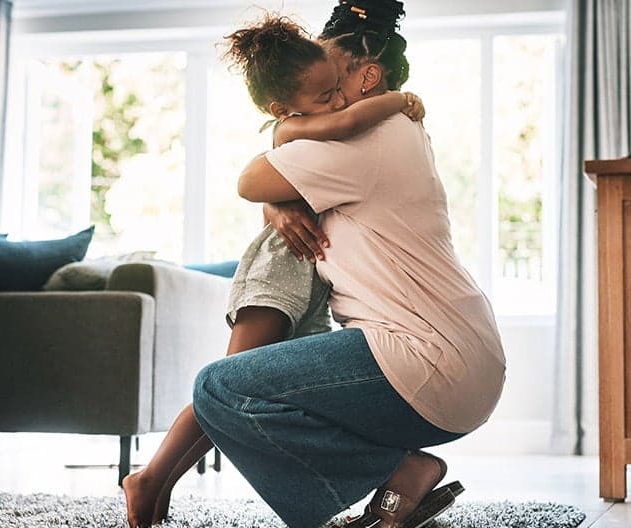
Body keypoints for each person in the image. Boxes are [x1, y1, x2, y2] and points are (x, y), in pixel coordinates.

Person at [192, 1, 507, 527]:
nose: (323, 99)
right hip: (456, 355)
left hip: (422, 356)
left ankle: (402, 469)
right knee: (251, 384)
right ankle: (392, 484)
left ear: (367, 76)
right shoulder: (393, 131)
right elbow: (271, 183)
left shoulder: (366, 135)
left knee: (219, 387)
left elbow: (250, 181)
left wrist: (277, 179)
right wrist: (281, 198)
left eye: (332, 80)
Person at [121, 13, 426, 528]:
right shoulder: (298, 125)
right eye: (324, 93)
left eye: (336, 88)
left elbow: (294, 187)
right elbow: (333, 133)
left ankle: (156, 480)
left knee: (252, 387)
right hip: (281, 265)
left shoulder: (311, 121)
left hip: (310, 271)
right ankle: (150, 477)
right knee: (230, 379)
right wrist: (399, 102)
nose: (334, 99)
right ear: (282, 107)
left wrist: (279, 205)